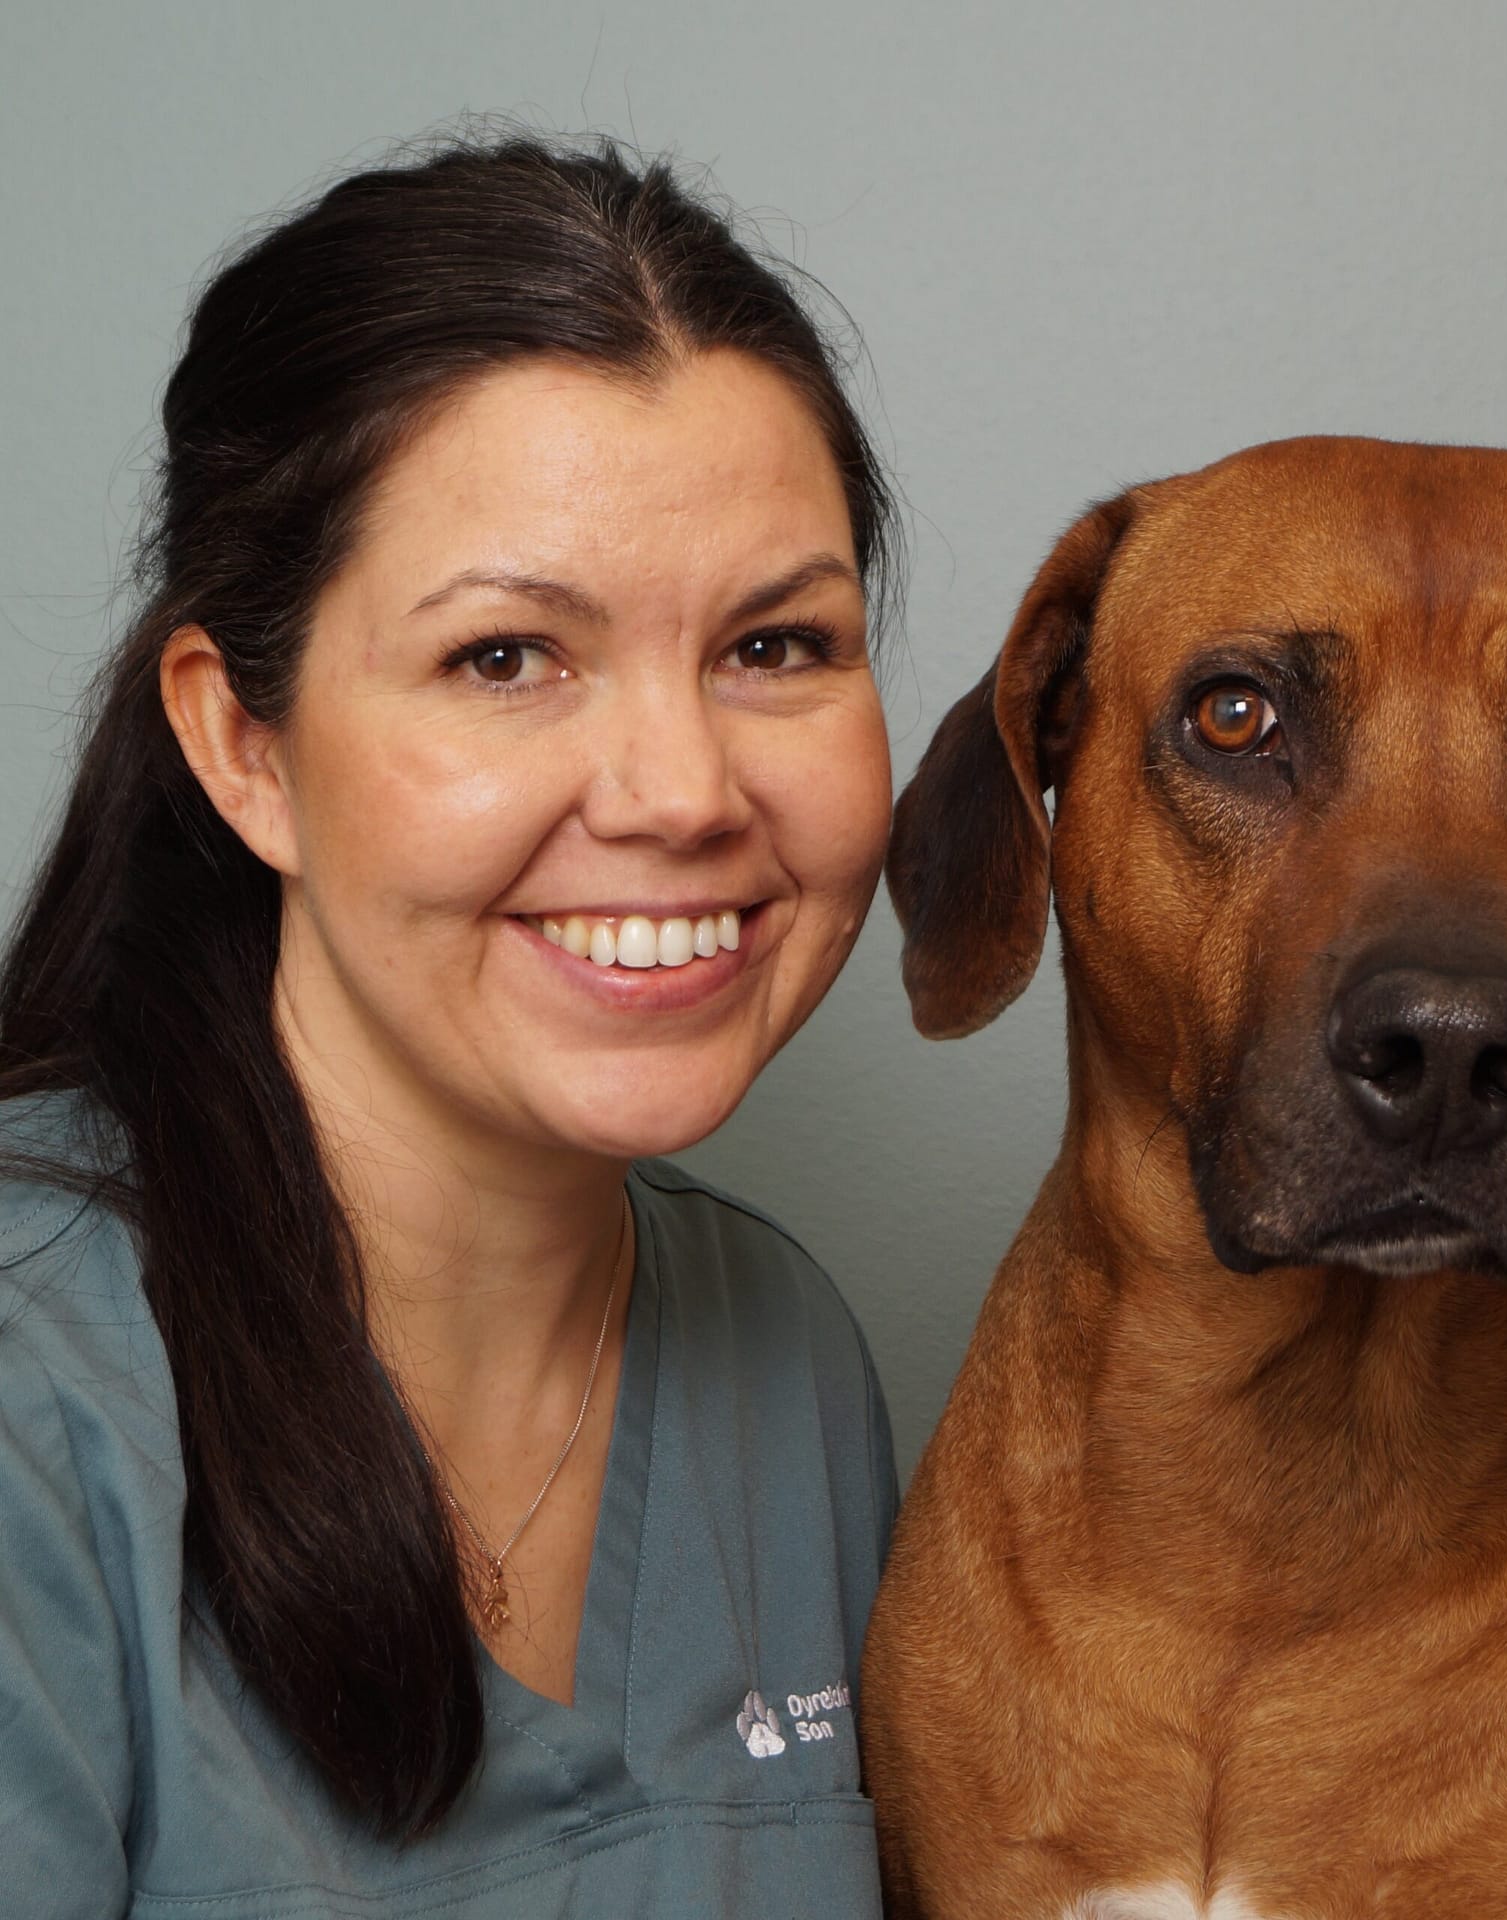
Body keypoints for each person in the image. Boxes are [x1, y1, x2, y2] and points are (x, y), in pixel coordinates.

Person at [0, 133, 901, 1916]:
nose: (681, 792)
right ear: (241, 746)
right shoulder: (39, 1406)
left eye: (776, 646)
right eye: (507, 657)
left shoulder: (787, 1363)